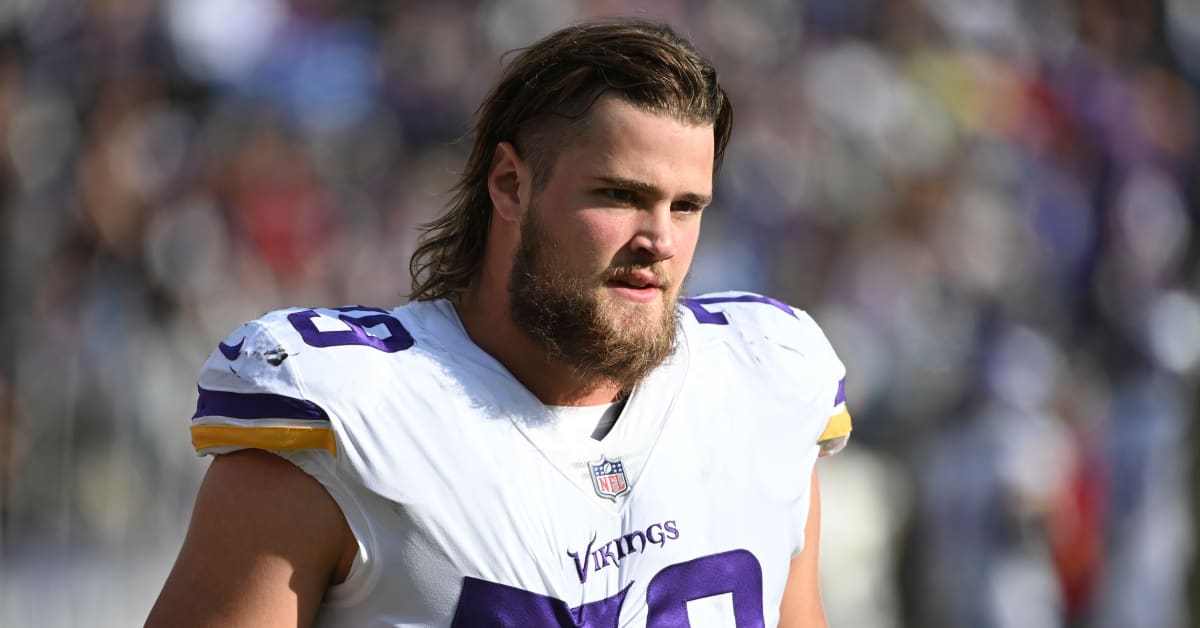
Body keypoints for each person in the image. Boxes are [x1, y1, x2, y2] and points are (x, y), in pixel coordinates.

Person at [147, 17, 851, 628]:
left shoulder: (766, 378)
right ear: (511, 184)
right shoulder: (347, 418)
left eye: (687, 206)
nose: (659, 240)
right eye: (619, 195)